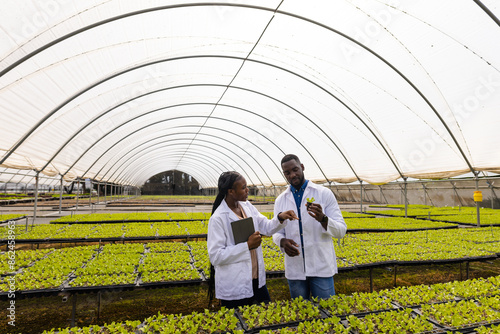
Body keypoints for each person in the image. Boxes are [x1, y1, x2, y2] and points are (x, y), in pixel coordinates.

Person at [207, 171, 298, 308]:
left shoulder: (247, 206)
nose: (247, 190)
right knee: (239, 325)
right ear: (231, 191)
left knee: (265, 318)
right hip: (235, 285)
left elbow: (266, 227)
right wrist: (247, 246)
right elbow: (216, 256)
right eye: (243, 187)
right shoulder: (218, 218)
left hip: (256, 280)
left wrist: (280, 217)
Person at [273, 154, 347, 300]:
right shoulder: (280, 200)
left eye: (295, 169)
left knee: (327, 312)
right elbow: (276, 232)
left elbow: (341, 231)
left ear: (302, 167)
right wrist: (282, 242)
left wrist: (323, 219)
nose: (292, 175)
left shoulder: (323, 194)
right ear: (284, 174)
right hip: (295, 268)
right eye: (287, 173)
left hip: (321, 267)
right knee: (301, 314)